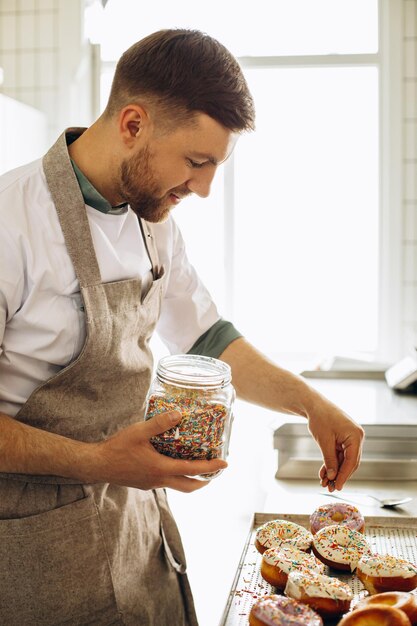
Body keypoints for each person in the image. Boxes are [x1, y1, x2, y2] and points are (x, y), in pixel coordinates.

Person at [0, 28, 364, 626]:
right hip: (34, 558)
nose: (202, 188)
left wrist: (311, 405)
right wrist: (99, 462)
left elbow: (208, 340)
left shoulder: (153, 218)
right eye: (197, 162)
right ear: (133, 124)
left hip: (137, 538)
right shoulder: (13, 221)